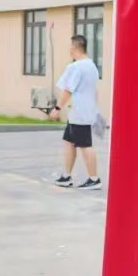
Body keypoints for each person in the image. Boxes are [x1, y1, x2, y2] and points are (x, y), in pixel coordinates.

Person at [49, 35, 102, 189]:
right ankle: (66, 176)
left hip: (79, 113)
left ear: (74, 47)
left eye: (70, 46)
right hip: (82, 112)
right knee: (69, 142)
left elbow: (68, 90)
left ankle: (94, 179)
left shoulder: (76, 67)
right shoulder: (92, 66)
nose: (69, 49)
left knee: (85, 145)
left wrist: (57, 108)